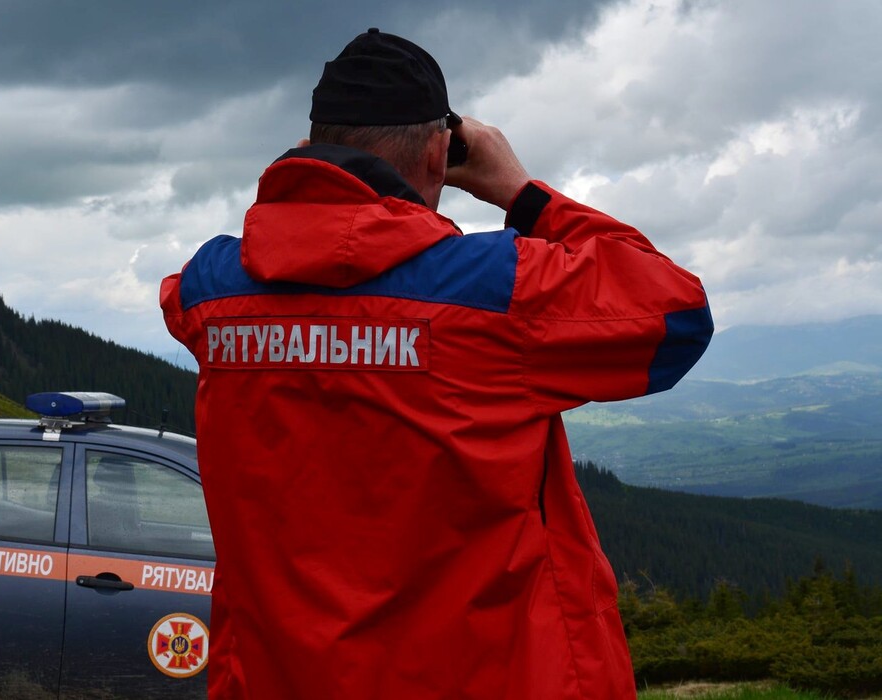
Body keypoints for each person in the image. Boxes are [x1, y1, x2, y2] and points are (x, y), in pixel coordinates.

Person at [160, 28, 712, 699]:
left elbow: (238, 280)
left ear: (311, 147)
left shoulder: (212, 290)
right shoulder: (489, 291)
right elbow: (677, 313)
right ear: (437, 154)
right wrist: (519, 191)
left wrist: (304, 185)